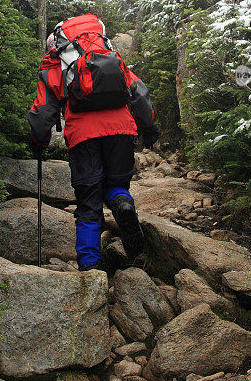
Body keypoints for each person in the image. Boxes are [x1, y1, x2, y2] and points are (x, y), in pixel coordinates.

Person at [28, 14, 160, 271]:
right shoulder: (108, 57)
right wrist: (150, 127)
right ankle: (122, 203)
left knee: (88, 202)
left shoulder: (54, 68)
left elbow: (44, 112)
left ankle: (90, 267)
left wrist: (38, 141)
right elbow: (139, 94)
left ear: (56, 46)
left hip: (83, 137)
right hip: (121, 130)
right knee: (117, 184)